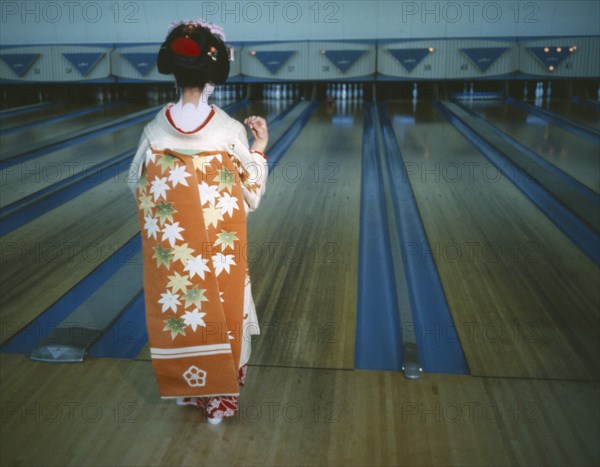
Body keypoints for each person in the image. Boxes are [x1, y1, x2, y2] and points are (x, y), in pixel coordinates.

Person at [127, 19, 269, 425]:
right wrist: (259, 147)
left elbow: (138, 187)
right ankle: (219, 404)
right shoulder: (227, 132)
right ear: (213, 76)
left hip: (179, 258)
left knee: (187, 312)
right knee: (222, 317)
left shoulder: (154, 132)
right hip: (220, 256)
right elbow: (251, 194)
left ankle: (190, 392)